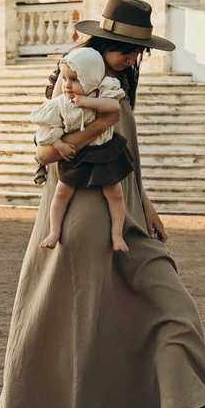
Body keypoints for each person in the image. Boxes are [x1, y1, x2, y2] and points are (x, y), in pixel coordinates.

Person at [0, 0, 205, 408]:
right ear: (101, 41)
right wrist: (97, 123)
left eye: (137, 50)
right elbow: (44, 154)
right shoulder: (73, 75)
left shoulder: (115, 84)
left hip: (128, 215)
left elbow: (122, 153)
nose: (131, 57)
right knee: (85, 329)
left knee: (175, 312)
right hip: (79, 217)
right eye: (123, 47)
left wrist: (148, 204)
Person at [31, 47, 130, 257]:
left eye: (74, 79)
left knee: (115, 193)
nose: (67, 85)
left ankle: (116, 233)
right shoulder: (61, 104)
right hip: (76, 154)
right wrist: (59, 145)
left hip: (104, 151)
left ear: (90, 78)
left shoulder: (102, 91)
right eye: (65, 78)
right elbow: (45, 133)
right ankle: (54, 231)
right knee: (61, 192)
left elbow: (114, 108)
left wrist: (87, 102)